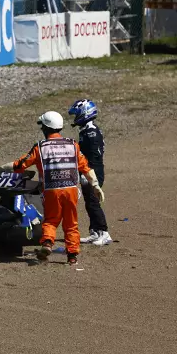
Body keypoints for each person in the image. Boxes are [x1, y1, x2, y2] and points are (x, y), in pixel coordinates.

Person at [0, 111, 105, 265]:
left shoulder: (40, 147)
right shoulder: (72, 144)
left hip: (52, 191)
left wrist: (0, 169)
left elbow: (20, 165)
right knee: (71, 223)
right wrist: (95, 185)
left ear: (46, 128)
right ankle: (72, 256)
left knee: (51, 221)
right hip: (71, 190)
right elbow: (85, 167)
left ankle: (47, 243)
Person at [69, 99, 111, 246]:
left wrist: (87, 174)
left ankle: (104, 233)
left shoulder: (91, 132)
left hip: (94, 170)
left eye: (77, 114)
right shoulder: (87, 131)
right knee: (89, 202)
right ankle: (95, 231)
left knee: (93, 203)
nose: (75, 118)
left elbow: (93, 156)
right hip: (89, 170)